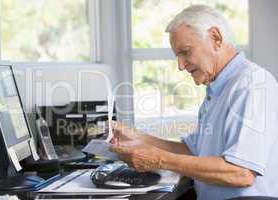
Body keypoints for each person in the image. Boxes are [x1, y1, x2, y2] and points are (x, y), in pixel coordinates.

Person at [110, 5, 278, 200]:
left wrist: (157, 159)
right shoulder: (218, 88)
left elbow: (241, 172)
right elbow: (195, 152)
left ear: (216, 38)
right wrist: (137, 138)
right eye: (177, 56)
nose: (180, 66)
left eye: (186, 52)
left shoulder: (252, 85)